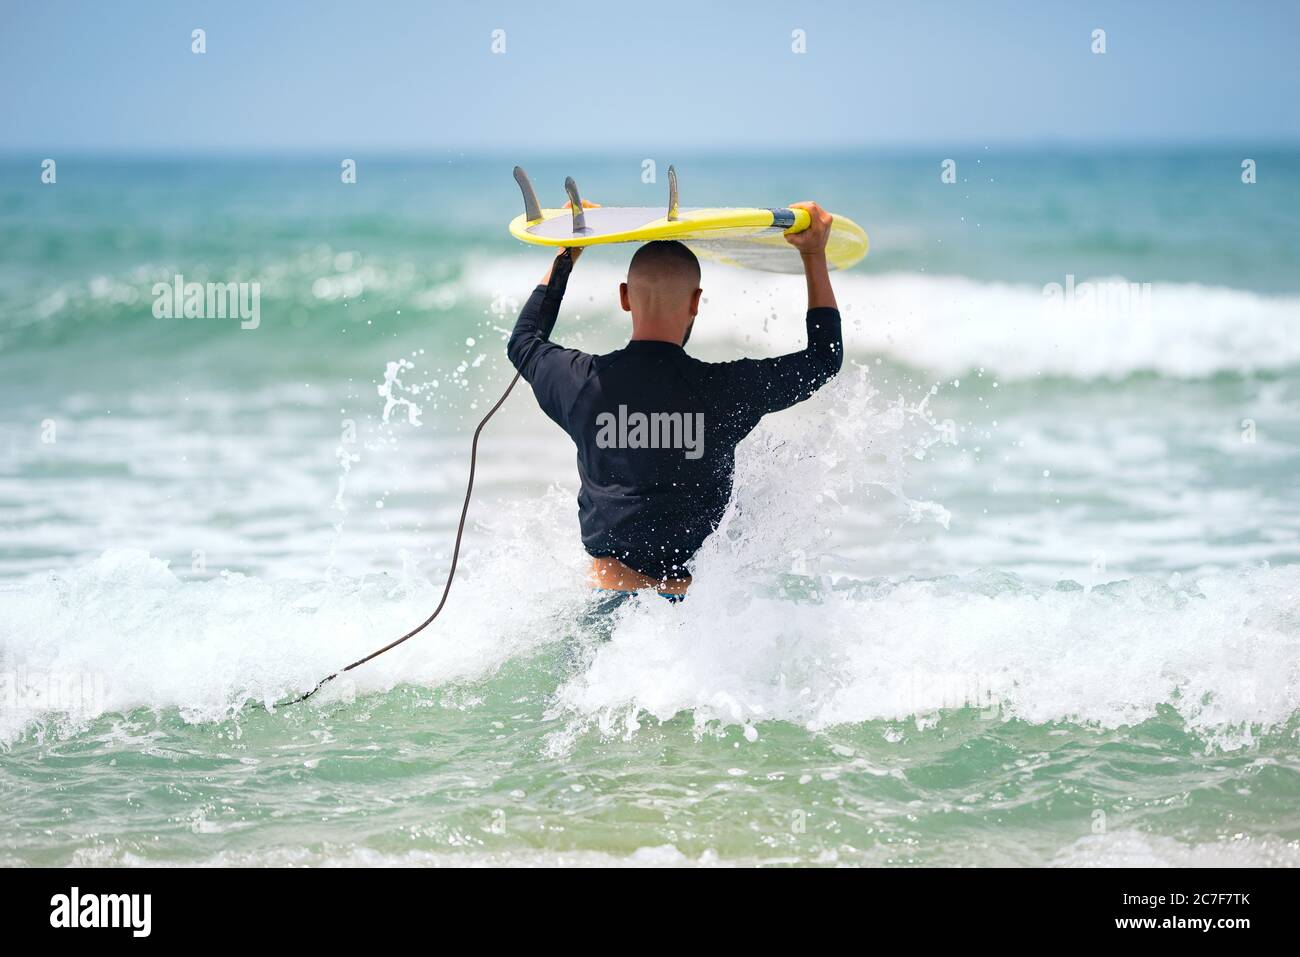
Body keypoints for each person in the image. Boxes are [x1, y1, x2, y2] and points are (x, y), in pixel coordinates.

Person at [507, 202, 842, 599]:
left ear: (625, 297)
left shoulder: (581, 383)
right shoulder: (726, 390)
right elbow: (824, 357)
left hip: (605, 601)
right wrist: (813, 253)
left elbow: (524, 341)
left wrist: (569, 250)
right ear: (696, 302)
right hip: (689, 620)